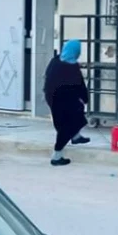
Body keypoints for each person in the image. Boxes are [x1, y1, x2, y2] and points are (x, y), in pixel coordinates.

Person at [44, 40, 90, 168]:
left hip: (53, 98)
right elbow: (79, 85)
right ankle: (56, 156)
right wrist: (84, 98)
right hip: (63, 100)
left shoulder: (56, 60)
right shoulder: (71, 66)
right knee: (67, 126)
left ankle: (75, 137)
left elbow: (48, 78)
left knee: (74, 119)